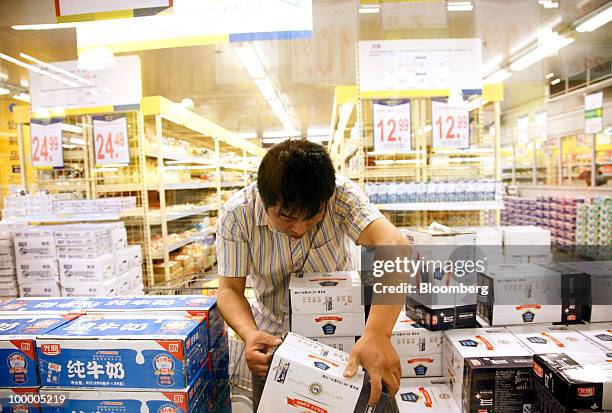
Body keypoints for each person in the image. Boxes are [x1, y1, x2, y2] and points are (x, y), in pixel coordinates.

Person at [216, 139, 409, 412]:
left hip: (340, 341)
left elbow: (396, 246)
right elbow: (229, 290)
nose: (300, 228)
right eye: (287, 218)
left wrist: (378, 332)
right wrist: (249, 334)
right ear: (263, 198)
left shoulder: (340, 196)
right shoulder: (237, 215)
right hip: (274, 343)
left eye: (313, 218)